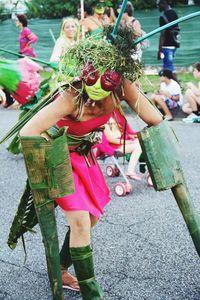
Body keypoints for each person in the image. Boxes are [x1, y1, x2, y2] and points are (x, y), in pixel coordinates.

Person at [17, 26, 162, 300]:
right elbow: (29, 132)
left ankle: (59, 267)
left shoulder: (120, 90)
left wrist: (130, 92)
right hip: (59, 159)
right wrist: (53, 158)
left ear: (117, 77)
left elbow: (155, 119)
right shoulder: (71, 96)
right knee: (81, 222)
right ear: (84, 72)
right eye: (91, 76)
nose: (97, 86)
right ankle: (91, 294)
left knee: (91, 219)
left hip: (85, 158)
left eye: (107, 79)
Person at [103, 111, 142, 180]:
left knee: (140, 141)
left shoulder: (114, 115)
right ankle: (130, 171)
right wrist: (127, 142)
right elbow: (110, 139)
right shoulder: (103, 120)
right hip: (114, 147)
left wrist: (129, 136)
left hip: (120, 142)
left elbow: (119, 132)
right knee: (138, 147)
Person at [157, 0, 180, 76]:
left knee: (169, 68)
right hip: (174, 44)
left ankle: (178, 85)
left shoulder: (163, 17)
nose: (158, 7)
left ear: (163, 4)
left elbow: (162, 34)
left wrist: (159, 50)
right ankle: (168, 84)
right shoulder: (174, 13)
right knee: (167, 66)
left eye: (159, 5)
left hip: (166, 46)